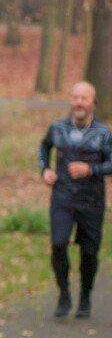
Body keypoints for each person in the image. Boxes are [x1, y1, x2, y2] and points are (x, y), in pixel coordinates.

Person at [38, 80, 112, 318]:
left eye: (84, 98)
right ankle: (63, 295)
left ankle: (85, 297)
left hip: (92, 200)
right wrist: (45, 170)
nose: (79, 103)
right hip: (63, 196)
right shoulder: (57, 128)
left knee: (89, 252)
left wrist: (90, 169)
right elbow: (43, 148)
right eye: (75, 98)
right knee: (59, 243)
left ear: (93, 103)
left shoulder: (103, 133)